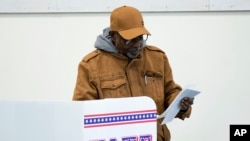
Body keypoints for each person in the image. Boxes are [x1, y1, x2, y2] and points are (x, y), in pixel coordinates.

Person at [73, 5, 194, 141]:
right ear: (113, 35)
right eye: (129, 40)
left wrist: (180, 102)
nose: (137, 44)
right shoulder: (91, 65)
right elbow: (82, 112)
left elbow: (170, 92)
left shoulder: (157, 58)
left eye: (140, 37)